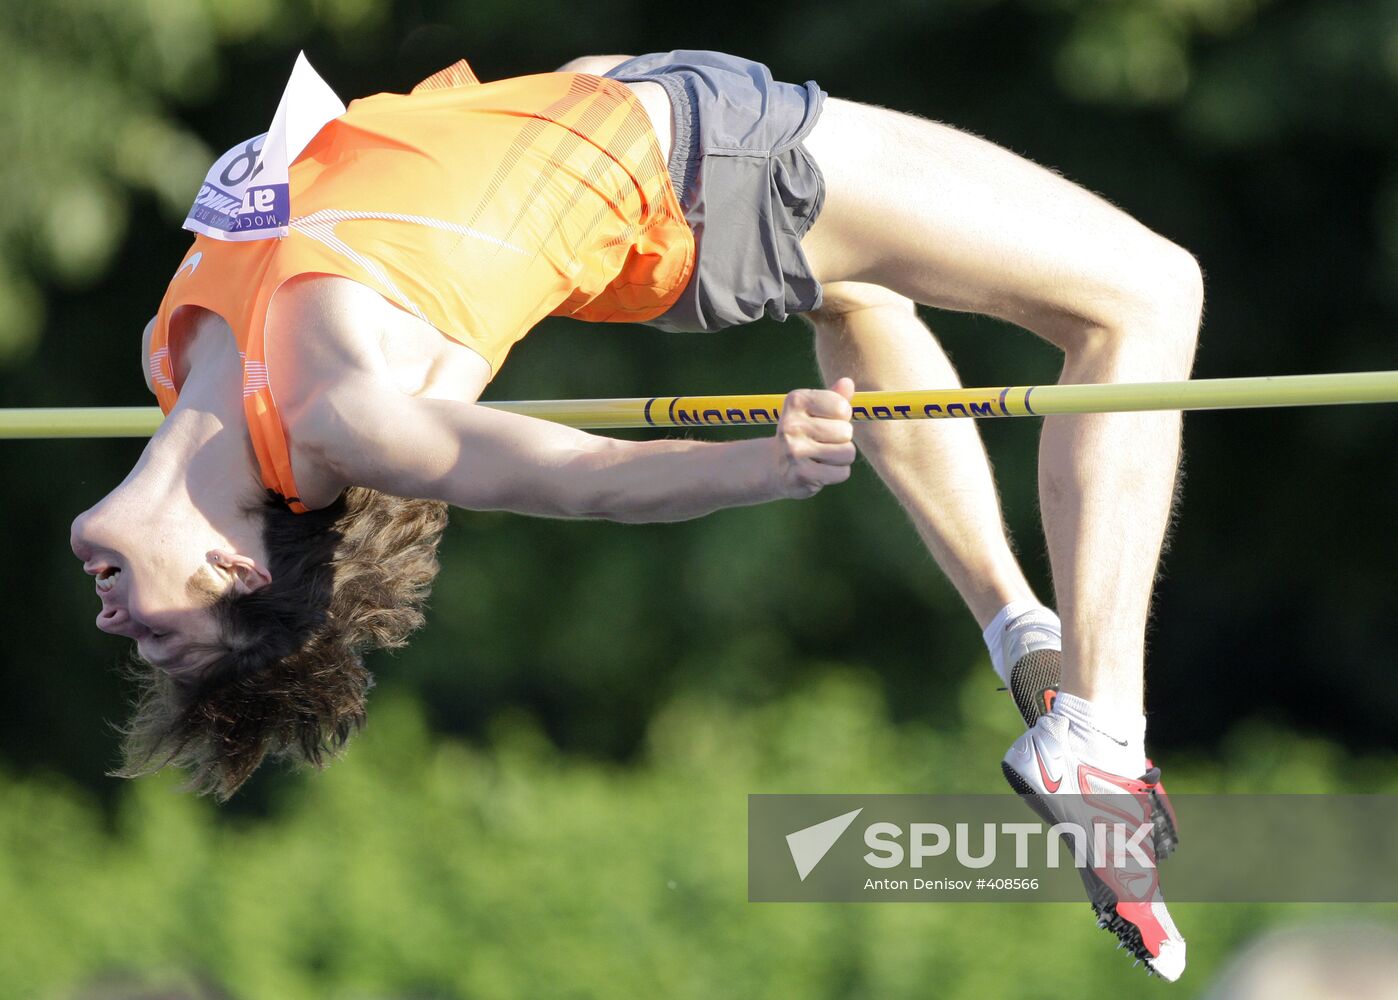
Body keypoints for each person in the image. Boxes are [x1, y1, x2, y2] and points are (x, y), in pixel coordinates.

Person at [69, 50, 1200, 978]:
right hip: (701, 162)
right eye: (167, 633)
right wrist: (758, 466)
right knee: (1145, 296)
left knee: (861, 294)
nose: (118, 623)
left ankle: (1020, 633)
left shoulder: (173, 350)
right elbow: (580, 475)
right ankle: (1104, 740)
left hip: (641, 142)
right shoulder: (342, 417)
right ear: (238, 568)